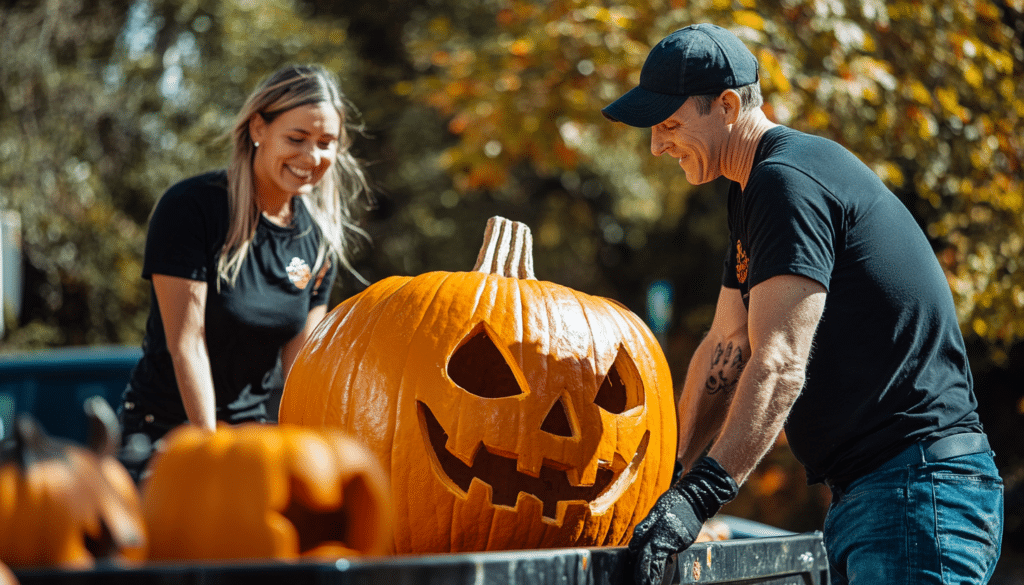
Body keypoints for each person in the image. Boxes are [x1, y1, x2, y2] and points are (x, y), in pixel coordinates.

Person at [602, 24, 1003, 585]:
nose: (656, 144)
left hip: (917, 493)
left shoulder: (785, 182)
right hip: (886, 494)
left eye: (669, 124)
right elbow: (728, 343)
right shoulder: (751, 192)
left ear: (726, 106)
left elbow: (781, 361)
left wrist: (702, 494)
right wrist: (668, 482)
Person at [117, 64, 370, 481]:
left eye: (326, 143)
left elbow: (303, 367)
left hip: (252, 441)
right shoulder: (192, 208)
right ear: (258, 128)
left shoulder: (316, 238)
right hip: (168, 439)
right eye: (297, 138)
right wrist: (212, 453)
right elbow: (187, 345)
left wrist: (322, 454)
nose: (313, 157)